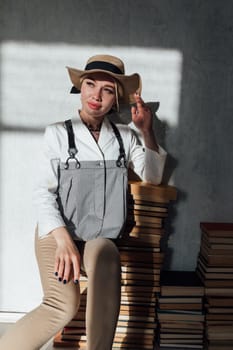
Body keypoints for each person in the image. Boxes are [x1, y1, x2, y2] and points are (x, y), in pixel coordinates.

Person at [0, 54, 167, 350]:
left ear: (115, 99)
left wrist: (146, 130)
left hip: (98, 236)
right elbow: (42, 192)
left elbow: (152, 176)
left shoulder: (125, 137)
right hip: (58, 234)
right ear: (81, 87)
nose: (96, 95)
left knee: (107, 254)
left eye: (107, 90)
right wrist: (63, 241)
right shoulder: (57, 133)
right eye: (91, 84)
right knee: (62, 305)